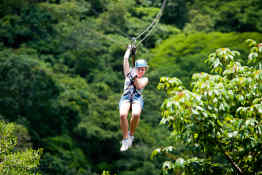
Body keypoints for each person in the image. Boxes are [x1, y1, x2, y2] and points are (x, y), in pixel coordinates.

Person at [119, 45, 149, 152]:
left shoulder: (145, 79)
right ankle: (125, 139)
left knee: (136, 114)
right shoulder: (129, 73)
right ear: (136, 68)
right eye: (139, 69)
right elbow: (125, 59)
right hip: (126, 96)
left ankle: (131, 135)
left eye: (143, 69)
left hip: (136, 97)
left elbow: (139, 86)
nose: (141, 71)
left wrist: (135, 76)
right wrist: (129, 49)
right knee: (123, 115)